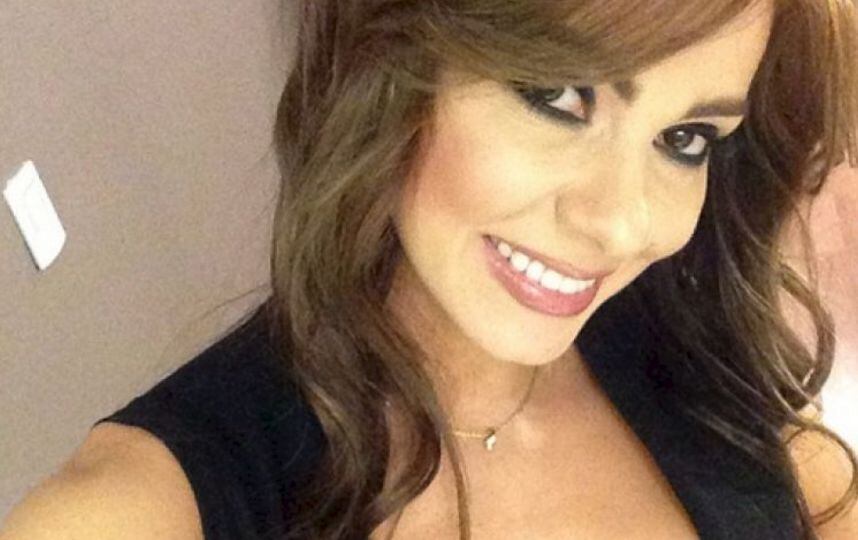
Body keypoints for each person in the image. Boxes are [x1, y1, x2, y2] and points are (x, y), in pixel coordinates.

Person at [3, 0, 857, 539]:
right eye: (558, 96)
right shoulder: (137, 508)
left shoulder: (712, 389)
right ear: (393, 55)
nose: (622, 220)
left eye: (685, 139)